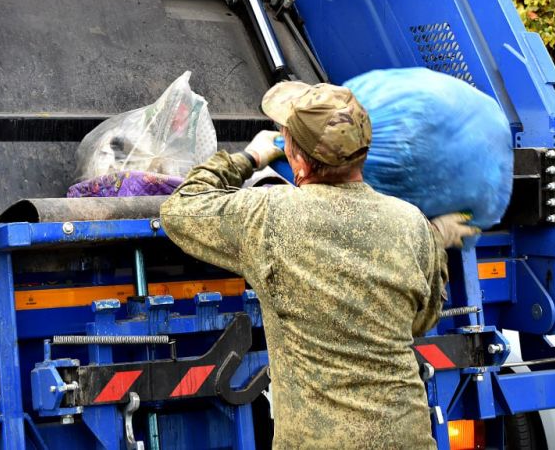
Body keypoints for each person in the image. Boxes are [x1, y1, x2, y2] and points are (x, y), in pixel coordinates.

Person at [159, 81, 476, 449]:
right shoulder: (413, 224)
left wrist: (250, 158)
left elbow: (180, 209)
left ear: (295, 156)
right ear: (362, 150)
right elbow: (420, 320)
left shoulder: (270, 216)